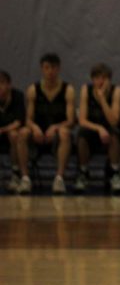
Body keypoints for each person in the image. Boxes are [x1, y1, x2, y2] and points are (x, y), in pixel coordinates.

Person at [20, 53, 76, 194]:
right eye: (47, 67)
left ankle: (59, 178)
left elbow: (71, 120)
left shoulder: (68, 90)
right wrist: (34, 128)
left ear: (58, 69)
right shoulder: (33, 89)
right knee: (22, 133)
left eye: (53, 67)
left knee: (65, 133)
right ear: (42, 69)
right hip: (38, 133)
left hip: (57, 133)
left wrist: (55, 127)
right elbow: (28, 119)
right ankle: (25, 177)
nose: (50, 71)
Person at [74, 63, 120, 195]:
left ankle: (115, 174)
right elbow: (82, 120)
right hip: (93, 129)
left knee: (115, 134)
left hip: (111, 130)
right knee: (82, 135)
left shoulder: (116, 91)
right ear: (92, 79)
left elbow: (113, 121)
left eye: (104, 78)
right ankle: (83, 173)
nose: (100, 81)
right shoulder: (86, 90)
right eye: (97, 78)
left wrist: (102, 99)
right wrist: (99, 128)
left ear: (109, 79)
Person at [0, 71, 27, 193]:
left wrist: (4, 129)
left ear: (9, 85)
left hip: (10, 134)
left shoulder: (17, 96)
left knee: (15, 134)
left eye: (2, 83)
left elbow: (19, 121)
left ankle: (17, 174)